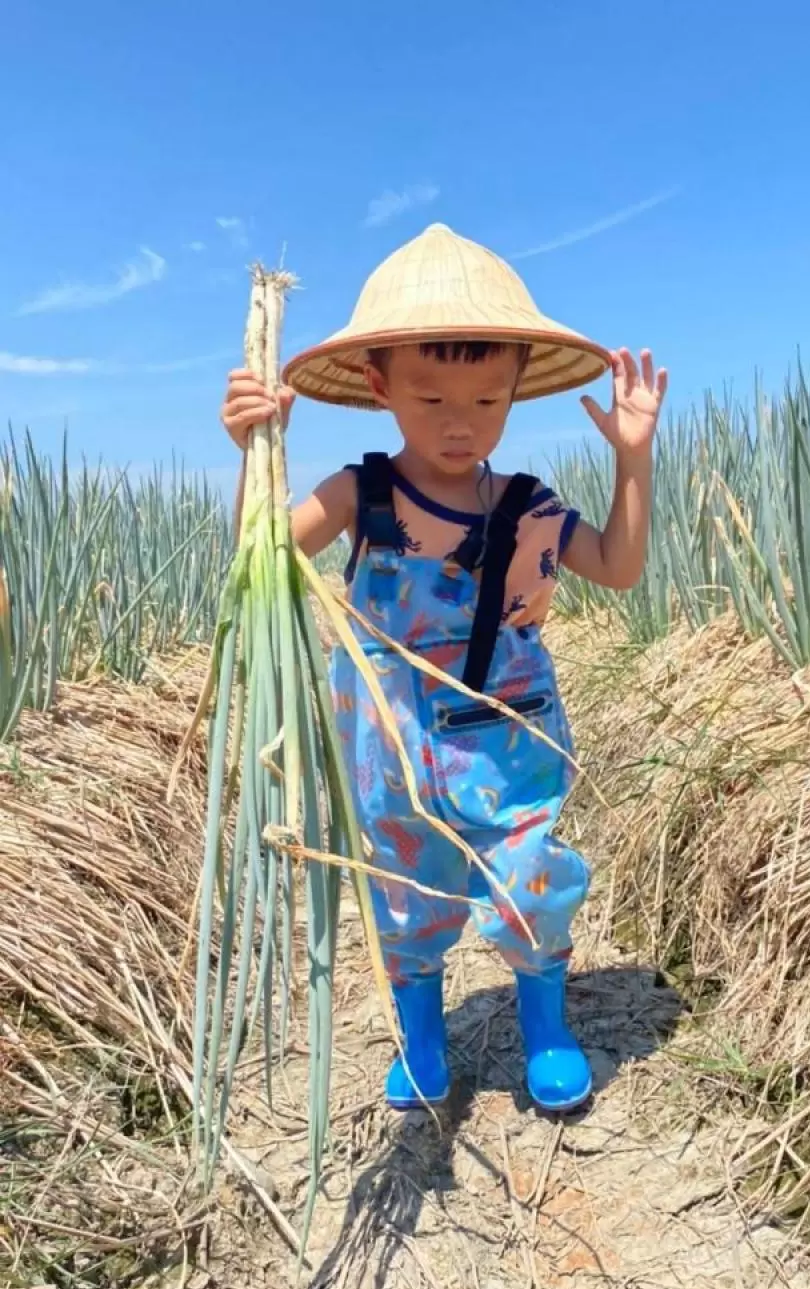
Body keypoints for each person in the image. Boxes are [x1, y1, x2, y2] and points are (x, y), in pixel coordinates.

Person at [220, 222, 666, 1114]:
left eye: (487, 402)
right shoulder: (360, 496)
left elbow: (618, 567)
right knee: (402, 898)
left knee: (531, 879)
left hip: (510, 736)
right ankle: (424, 1039)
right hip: (390, 744)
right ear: (380, 388)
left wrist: (633, 456)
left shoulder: (529, 505)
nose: (460, 425)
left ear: (512, 395)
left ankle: (546, 1025)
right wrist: (253, 456)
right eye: (430, 401)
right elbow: (260, 563)